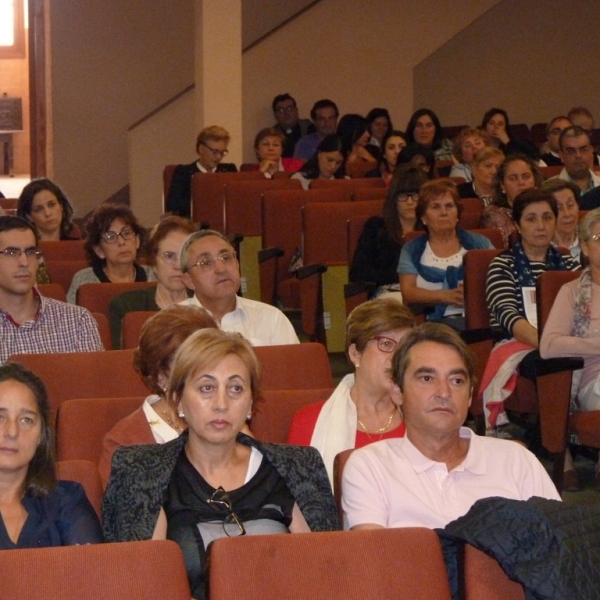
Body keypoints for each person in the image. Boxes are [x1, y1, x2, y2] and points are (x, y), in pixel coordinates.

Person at [103, 328, 339, 599]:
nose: (221, 404)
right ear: (178, 399)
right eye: (207, 388)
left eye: (236, 388)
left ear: (251, 402)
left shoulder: (298, 467)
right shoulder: (142, 473)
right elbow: (144, 588)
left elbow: (324, 577)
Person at [342, 323, 560, 531]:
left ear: (469, 396)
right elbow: (373, 563)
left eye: (456, 381)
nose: (444, 393)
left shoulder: (516, 461)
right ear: (398, 392)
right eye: (427, 378)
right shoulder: (370, 467)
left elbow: (562, 547)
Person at [483, 189, 578, 436]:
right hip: (521, 344)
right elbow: (508, 315)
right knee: (553, 361)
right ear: (517, 224)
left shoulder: (570, 265)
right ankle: (560, 449)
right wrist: (547, 344)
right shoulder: (503, 264)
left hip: (570, 342)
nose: (541, 225)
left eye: (547, 217)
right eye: (531, 218)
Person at [287, 299, 415, 483]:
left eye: (404, 347)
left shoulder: (424, 420)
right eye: (386, 344)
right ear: (355, 353)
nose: (397, 357)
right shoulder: (309, 422)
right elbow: (297, 502)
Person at [99, 305, 218, 486]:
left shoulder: (228, 421)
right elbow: (127, 511)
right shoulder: (125, 442)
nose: (209, 377)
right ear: (162, 377)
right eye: (192, 367)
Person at [0, 363, 102, 548]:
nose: (12, 431)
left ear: (41, 435)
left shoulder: (67, 502)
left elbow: (92, 573)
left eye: (26, 420)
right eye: (0, 417)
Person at [540, 208, 600, 487]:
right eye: (598, 237)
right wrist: (596, 344)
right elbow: (548, 346)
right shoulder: (572, 292)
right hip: (592, 381)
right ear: (585, 247)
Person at [0, 216, 103, 365]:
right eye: (11, 253)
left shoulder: (78, 322)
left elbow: (93, 386)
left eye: (30, 252)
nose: (24, 262)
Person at [398, 179, 494, 330]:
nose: (444, 212)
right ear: (423, 217)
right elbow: (408, 292)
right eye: (436, 207)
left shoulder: (479, 244)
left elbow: (498, 278)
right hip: (432, 326)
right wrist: (445, 296)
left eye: (449, 206)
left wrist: (473, 294)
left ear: (457, 213)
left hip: (479, 322)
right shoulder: (412, 249)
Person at [179, 229, 299, 345]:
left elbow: (293, 365)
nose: (221, 269)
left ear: (237, 264)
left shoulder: (272, 319)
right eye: (206, 263)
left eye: (226, 258)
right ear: (188, 280)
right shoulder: (173, 324)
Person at [108, 216, 197, 348]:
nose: (178, 265)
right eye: (169, 256)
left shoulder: (207, 304)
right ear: (153, 262)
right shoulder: (126, 306)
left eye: (185, 256)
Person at [349, 167, 427, 298]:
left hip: (425, 294)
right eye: (403, 195)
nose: (409, 202)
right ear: (394, 199)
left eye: (415, 195)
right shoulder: (376, 227)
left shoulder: (432, 230)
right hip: (387, 294)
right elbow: (358, 272)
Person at [67, 203, 154, 304]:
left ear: (137, 241)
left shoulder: (153, 275)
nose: (121, 242)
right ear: (99, 250)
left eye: (127, 233)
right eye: (110, 237)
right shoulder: (84, 280)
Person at [166, 126, 237, 218]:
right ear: (201, 149)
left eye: (222, 152)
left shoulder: (229, 170)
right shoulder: (184, 172)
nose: (219, 157)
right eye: (215, 152)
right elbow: (174, 205)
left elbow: (237, 202)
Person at [482, 154, 542, 247]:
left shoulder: (546, 207)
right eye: (513, 178)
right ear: (502, 185)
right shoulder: (494, 214)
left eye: (526, 176)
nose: (521, 182)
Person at [542, 179, 582, 263]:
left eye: (570, 205)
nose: (567, 214)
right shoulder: (539, 247)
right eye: (559, 208)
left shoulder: (590, 239)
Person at [555, 126, 600, 194]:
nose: (578, 155)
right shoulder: (549, 191)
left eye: (583, 149)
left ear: (591, 152)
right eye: (571, 151)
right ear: (561, 155)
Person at [336, 114, 379, 178]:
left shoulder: (374, 150)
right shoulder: (337, 150)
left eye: (368, 131)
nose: (368, 135)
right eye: (363, 131)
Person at [271, 93, 314, 158]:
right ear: (275, 114)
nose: (286, 113)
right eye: (281, 110)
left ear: (296, 110)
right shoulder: (271, 135)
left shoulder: (310, 128)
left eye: (289, 108)